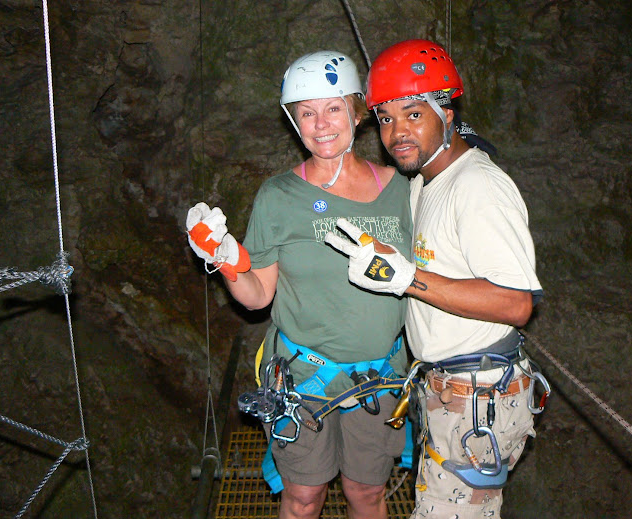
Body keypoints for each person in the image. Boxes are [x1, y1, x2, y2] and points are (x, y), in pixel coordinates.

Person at [186, 50, 413, 519]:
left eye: (332, 107)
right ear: (294, 122)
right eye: (306, 112)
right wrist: (227, 259)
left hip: (379, 378)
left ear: (356, 110)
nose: (321, 123)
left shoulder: (402, 190)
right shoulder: (278, 196)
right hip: (304, 378)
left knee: (366, 493)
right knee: (304, 497)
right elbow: (258, 295)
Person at [325, 39, 547, 519]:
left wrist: (408, 279)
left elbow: (516, 303)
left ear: (446, 114)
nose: (397, 132)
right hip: (450, 392)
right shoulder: (425, 182)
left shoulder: (478, 187)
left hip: (477, 400)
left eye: (413, 114)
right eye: (386, 119)